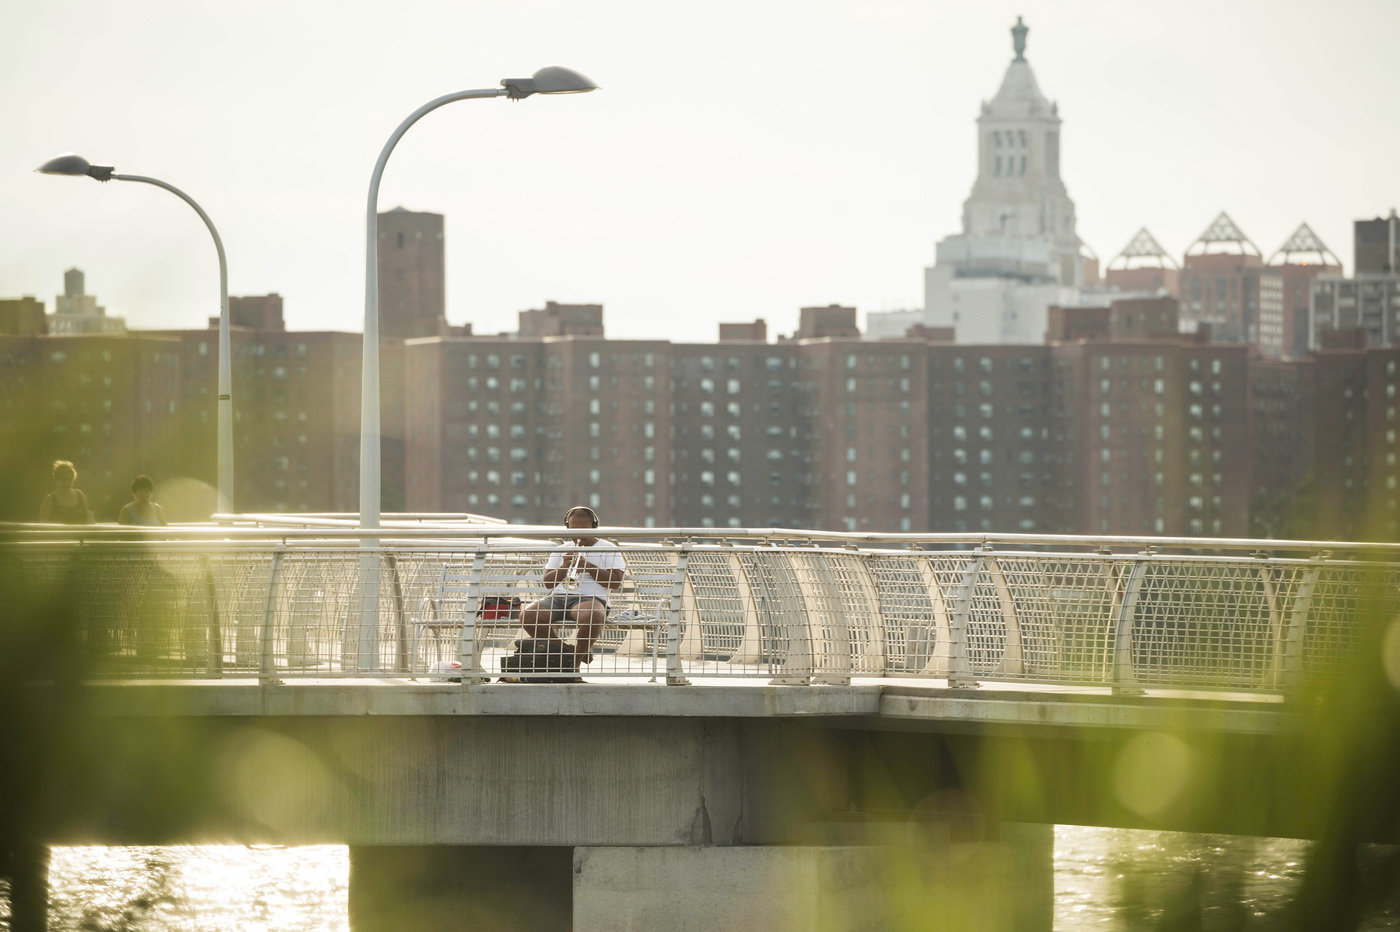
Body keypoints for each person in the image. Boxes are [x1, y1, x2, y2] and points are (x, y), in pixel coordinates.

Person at [516, 505, 626, 673]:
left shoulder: (609, 548)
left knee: (593, 616)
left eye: (583, 528)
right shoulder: (561, 550)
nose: (578, 533)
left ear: (593, 527)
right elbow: (548, 583)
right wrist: (565, 565)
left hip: (591, 599)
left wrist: (588, 566)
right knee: (528, 615)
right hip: (558, 597)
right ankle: (567, 650)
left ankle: (573, 663)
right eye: (573, 528)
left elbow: (615, 582)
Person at [38, 460, 94, 524]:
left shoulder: (80, 495)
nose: (66, 483)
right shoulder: (50, 499)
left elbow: (89, 519)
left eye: (69, 479)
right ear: (56, 480)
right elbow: (43, 524)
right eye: (63, 479)